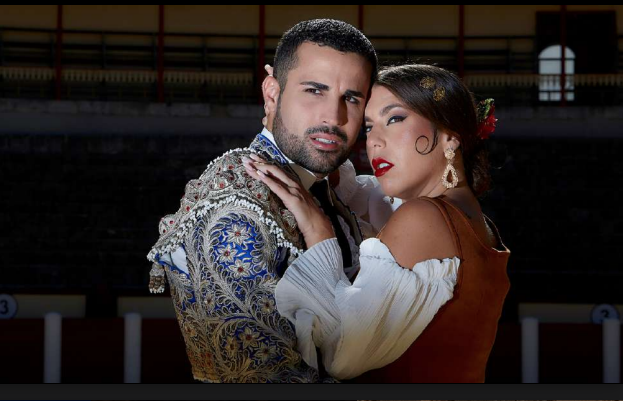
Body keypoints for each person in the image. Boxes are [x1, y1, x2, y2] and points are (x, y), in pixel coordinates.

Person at [146, 19, 393, 382]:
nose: (334, 117)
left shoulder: (329, 190)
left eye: (351, 98)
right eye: (314, 90)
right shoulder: (235, 208)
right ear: (272, 93)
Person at [245, 63, 510, 382]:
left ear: (449, 137)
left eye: (395, 119)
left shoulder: (425, 218)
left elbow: (342, 356)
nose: (375, 142)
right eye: (369, 127)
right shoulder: (476, 222)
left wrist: (318, 231)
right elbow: (363, 199)